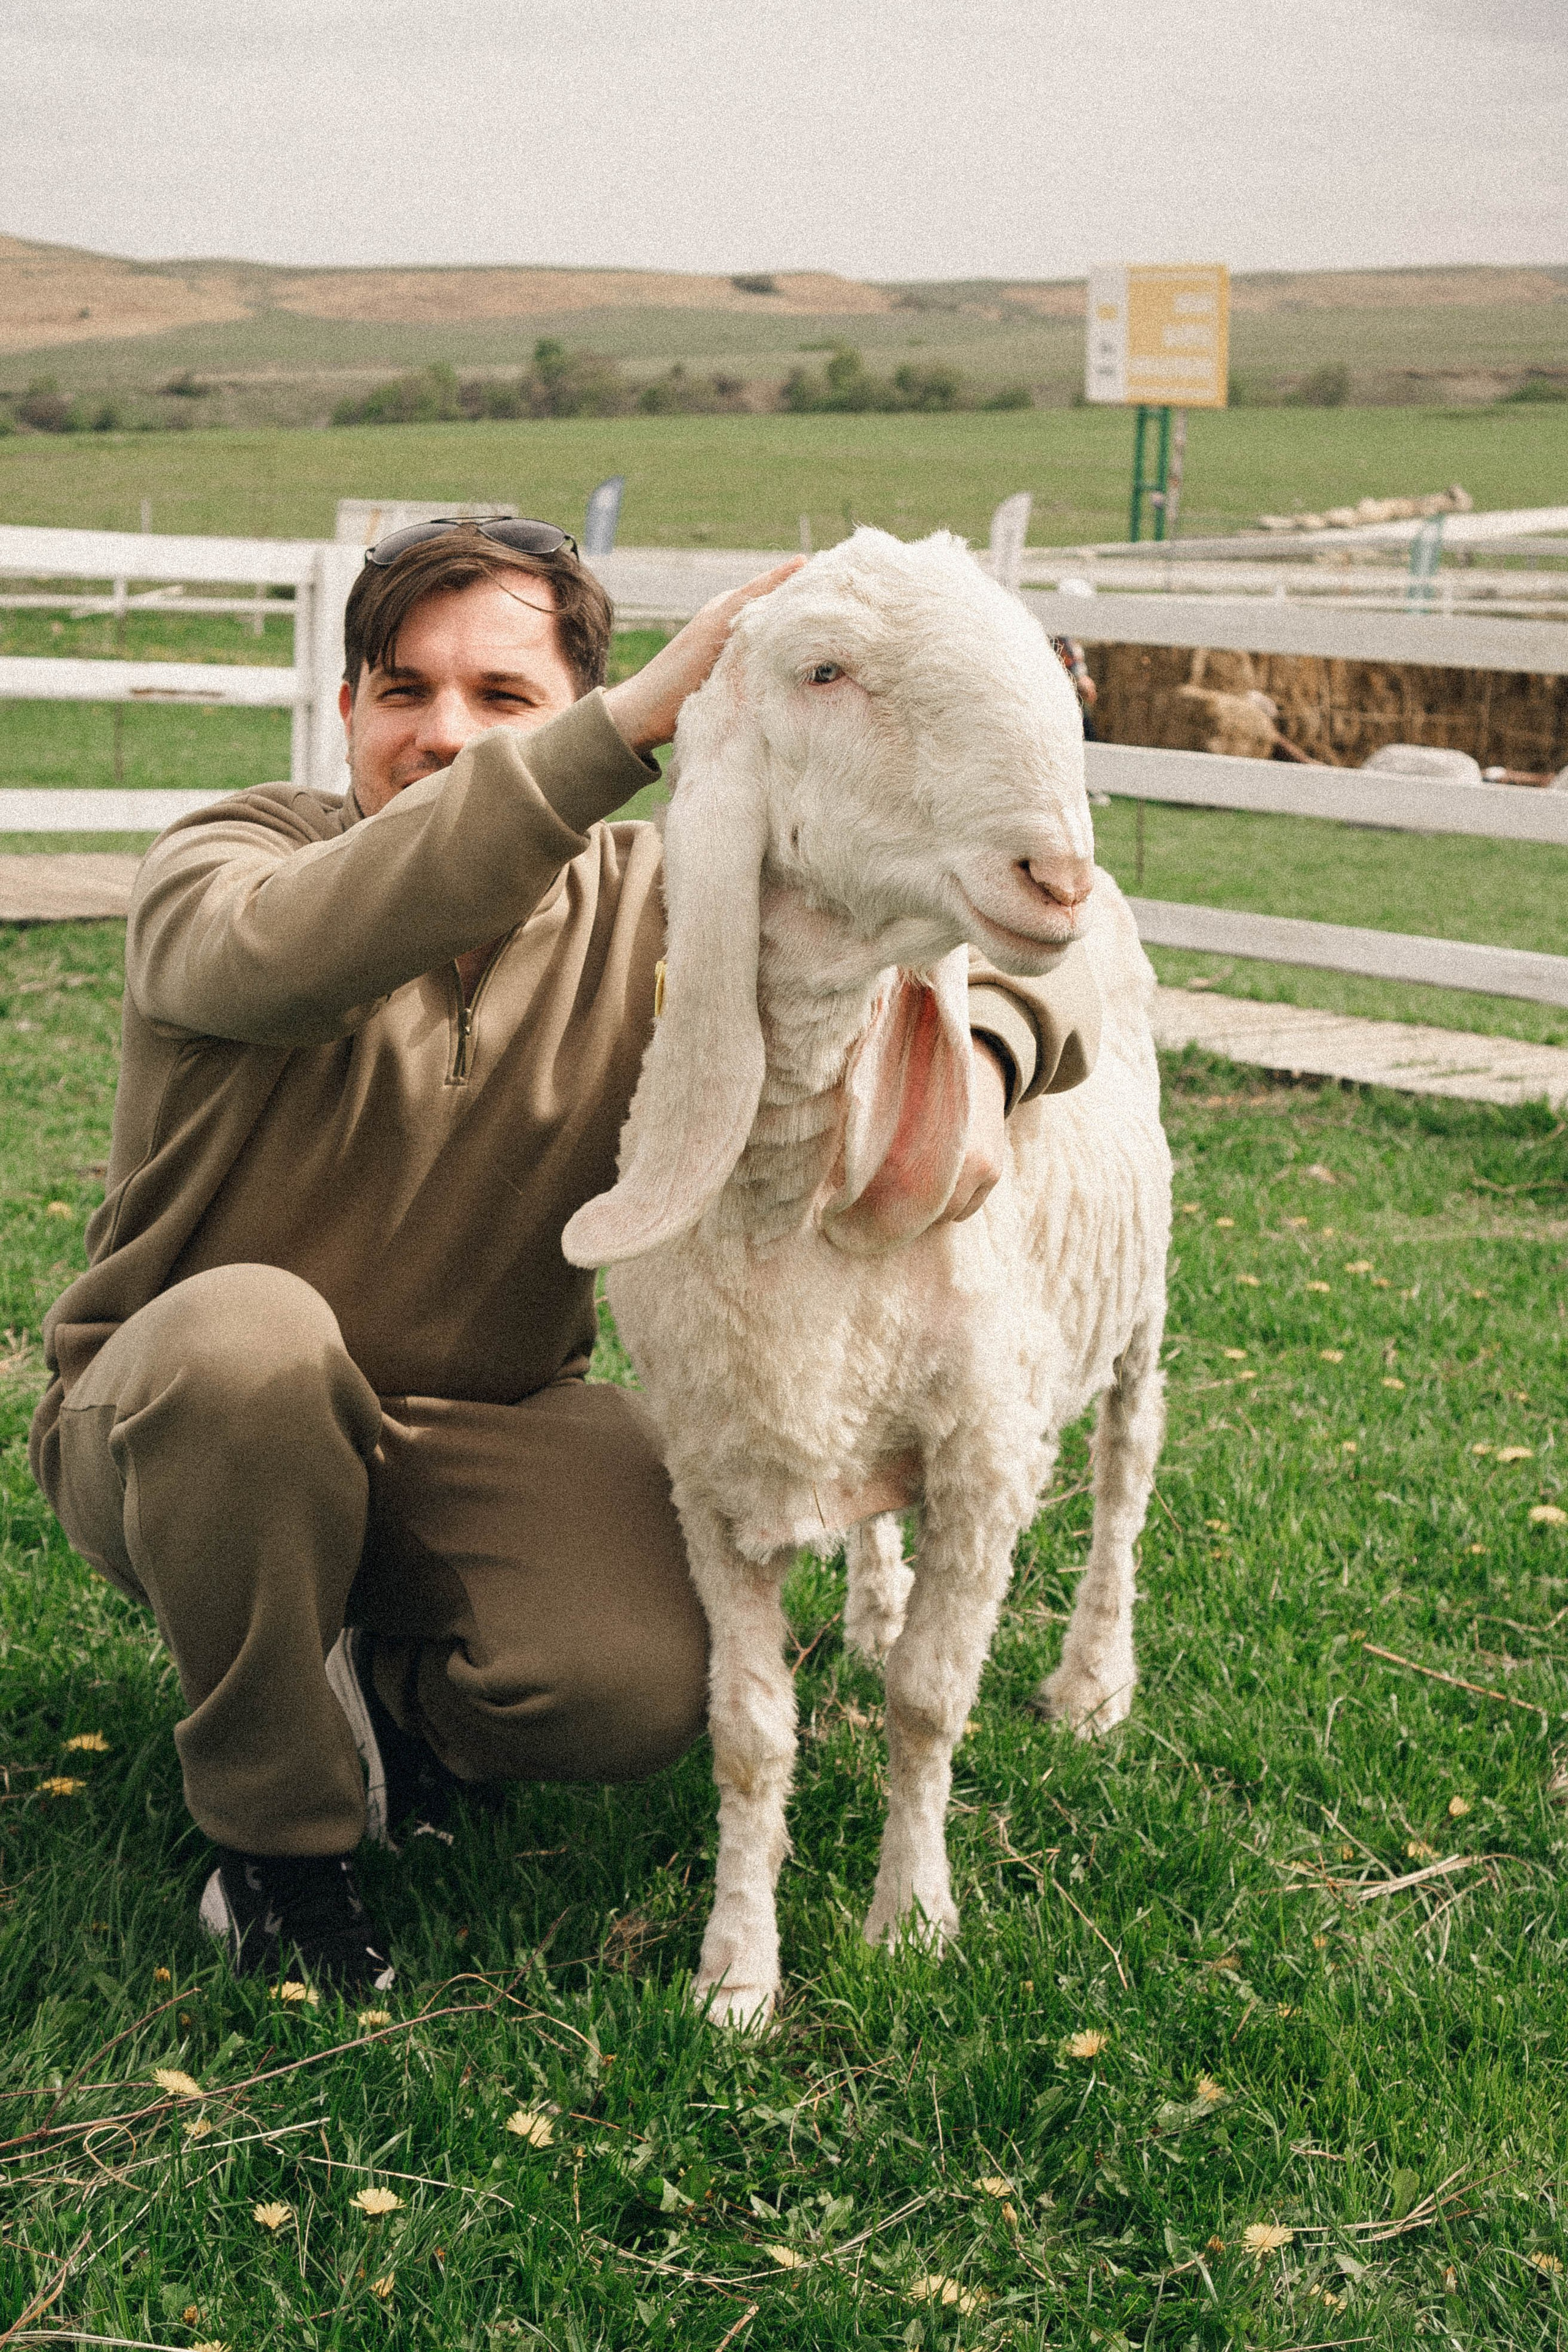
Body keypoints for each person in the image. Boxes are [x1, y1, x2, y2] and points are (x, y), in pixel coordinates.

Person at [28, 518, 1101, 1992]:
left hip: (484, 1426)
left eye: (501, 696)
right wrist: (614, 735)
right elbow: (274, 957)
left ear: (565, 710)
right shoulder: (235, 862)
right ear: (344, 710)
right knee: (247, 1348)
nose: (443, 732)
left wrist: (977, 1043)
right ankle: (280, 1850)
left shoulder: (660, 902)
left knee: (638, 1680)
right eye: (402, 691)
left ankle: (383, 1691)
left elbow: (936, 930)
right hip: (183, 1426)